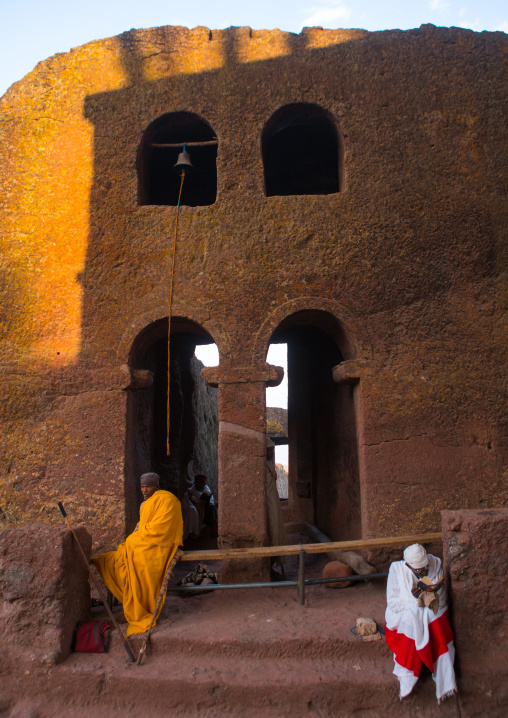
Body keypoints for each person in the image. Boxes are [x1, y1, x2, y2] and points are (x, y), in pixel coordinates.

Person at [92, 472, 183, 637]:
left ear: (156, 486)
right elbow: (141, 526)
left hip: (161, 544)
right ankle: (134, 604)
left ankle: (142, 607)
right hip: (145, 542)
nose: (144, 490)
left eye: (148, 486)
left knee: (141, 564)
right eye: (142, 486)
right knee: (118, 560)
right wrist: (134, 538)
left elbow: (163, 529)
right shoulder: (145, 504)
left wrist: (137, 537)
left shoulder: (168, 500)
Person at [385, 543, 457, 703]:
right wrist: (412, 598)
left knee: (433, 617)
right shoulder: (397, 569)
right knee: (413, 617)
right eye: (419, 571)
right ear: (408, 566)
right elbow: (393, 603)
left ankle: (439, 666)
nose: (424, 572)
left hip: (431, 608)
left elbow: (442, 600)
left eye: (425, 568)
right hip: (405, 611)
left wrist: (430, 595)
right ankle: (414, 665)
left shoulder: (435, 563)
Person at [266, 439, 287, 576]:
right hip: (269, 507)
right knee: (272, 533)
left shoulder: (268, 466)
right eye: (269, 449)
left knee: (277, 532)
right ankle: (269, 567)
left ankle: (273, 565)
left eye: (273, 450)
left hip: (273, 506)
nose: (272, 452)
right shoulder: (263, 467)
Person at [181, 474, 217, 540]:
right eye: (198, 483)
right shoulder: (191, 491)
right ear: (195, 483)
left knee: (212, 507)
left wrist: (207, 501)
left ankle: (214, 529)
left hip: (205, 512)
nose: (200, 485)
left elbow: (211, 501)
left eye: (202, 483)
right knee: (192, 510)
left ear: (204, 484)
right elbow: (185, 504)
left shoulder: (206, 490)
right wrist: (190, 498)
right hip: (196, 511)